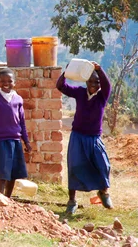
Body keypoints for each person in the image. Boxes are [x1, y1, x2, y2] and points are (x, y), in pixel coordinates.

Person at [56, 61, 113, 214]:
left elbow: (108, 85)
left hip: (94, 138)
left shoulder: (102, 96)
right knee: (74, 167)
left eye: (97, 82)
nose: (94, 84)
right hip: (78, 136)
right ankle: (72, 201)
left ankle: (103, 192)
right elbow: (61, 86)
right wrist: (66, 72)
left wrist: (99, 69)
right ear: (86, 81)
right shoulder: (80, 93)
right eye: (91, 81)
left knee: (103, 165)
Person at [0, 68, 32, 197]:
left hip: (16, 140)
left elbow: (22, 122)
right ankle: (0, 197)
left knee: (14, 173)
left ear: (14, 82)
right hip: (1, 140)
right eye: (2, 81)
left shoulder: (18, 99)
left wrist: (26, 141)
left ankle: (8, 199)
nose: (6, 83)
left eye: (9, 81)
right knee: (3, 172)